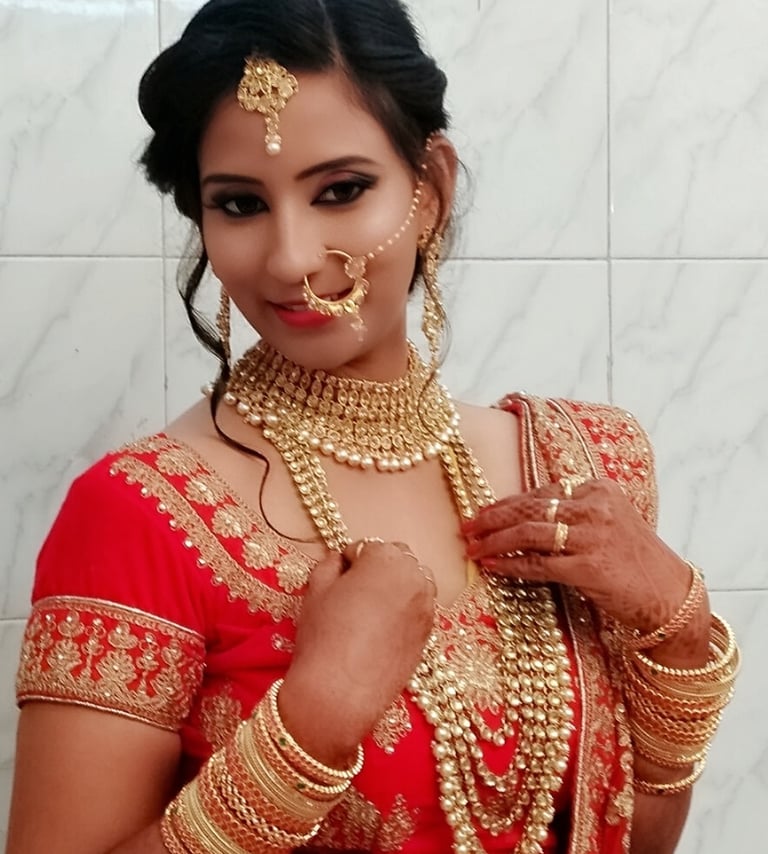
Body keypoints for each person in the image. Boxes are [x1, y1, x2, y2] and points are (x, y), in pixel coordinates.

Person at [5, 1, 739, 853]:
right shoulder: (139, 516)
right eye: (239, 204)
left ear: (432, 190)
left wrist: (680, 635)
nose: (290, 258)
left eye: (341, 191)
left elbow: (633, 838)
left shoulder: (581, 466)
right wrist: (310, 725)